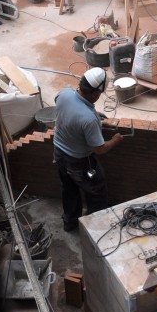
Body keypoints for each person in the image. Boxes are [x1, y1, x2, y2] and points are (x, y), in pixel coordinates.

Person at [52, 66, 123, 231]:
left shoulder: (64, 93)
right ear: (95, 94)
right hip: (79, 161)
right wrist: (115, 140)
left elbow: (71, 110)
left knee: (69, 189)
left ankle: (70, 223)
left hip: (59, 152)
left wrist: (94, 114)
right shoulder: (89, 120)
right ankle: (96, 230)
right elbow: (99, 148)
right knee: (97, 192)